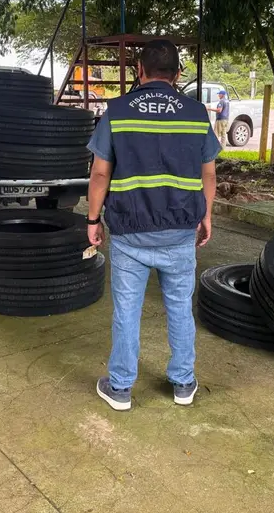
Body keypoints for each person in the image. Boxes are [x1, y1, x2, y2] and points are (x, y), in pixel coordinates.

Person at [85, 39, 221, 412]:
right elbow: (208, 174)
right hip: (180, 231)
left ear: (140, 72)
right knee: (179, 307)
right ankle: (183, 383)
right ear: (177, 75)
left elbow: (100, 174)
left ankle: (121, 388)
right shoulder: (196, 113)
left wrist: (93, 219)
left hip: (130, 233)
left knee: (127, 311)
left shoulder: (117, 111)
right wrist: (205, 215)